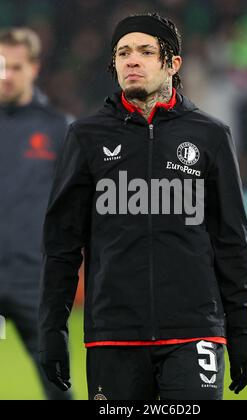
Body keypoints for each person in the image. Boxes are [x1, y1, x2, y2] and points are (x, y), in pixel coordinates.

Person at [39, 13, 247, 400]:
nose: (131, 60)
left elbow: (231, 244)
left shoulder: (211, 136)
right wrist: (53, 330)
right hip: (114, 336)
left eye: (145, 51)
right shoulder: (85, 137)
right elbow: (62, 246)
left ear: (172, 64)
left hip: (195, 333)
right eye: (122, 52)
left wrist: (241, 331)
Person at [0, 27, 72, 400]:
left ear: (34, 67)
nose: (6, 76)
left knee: (58, 385)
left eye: (15, 67)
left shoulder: (58, 128)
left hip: (36, 281)